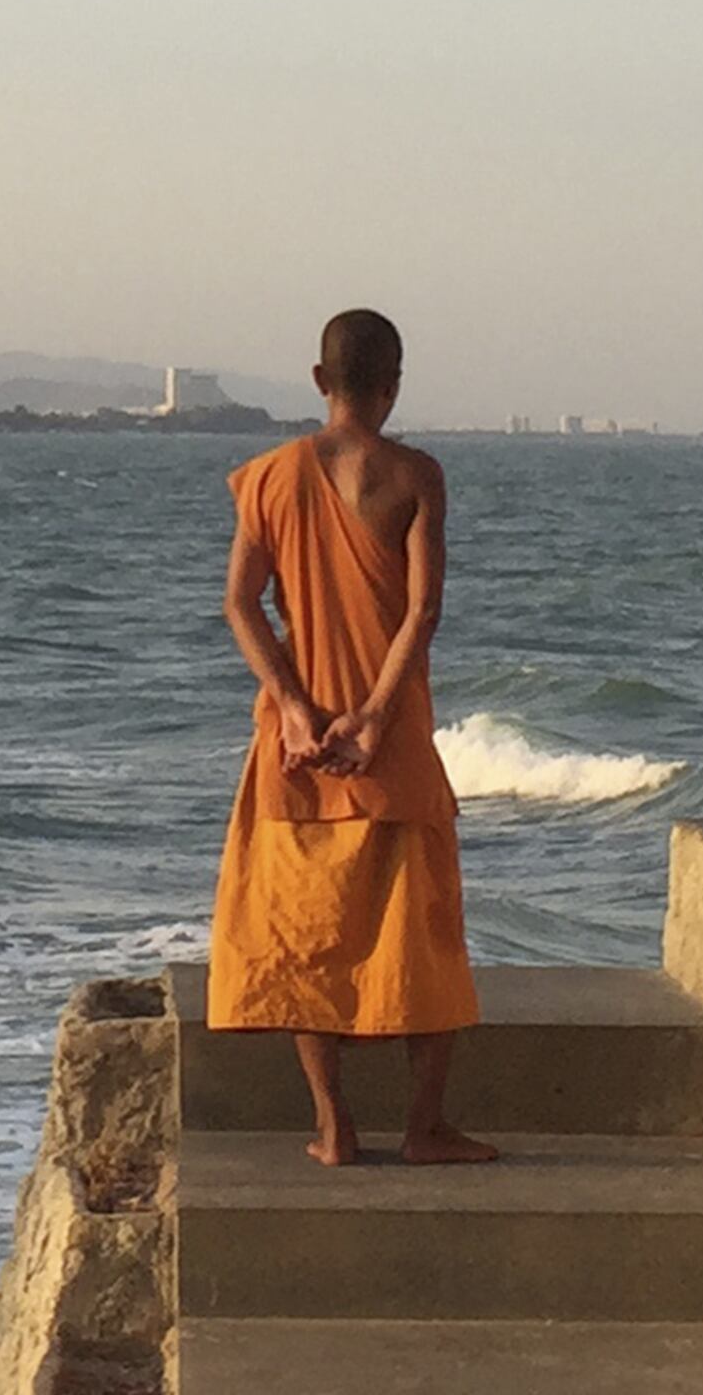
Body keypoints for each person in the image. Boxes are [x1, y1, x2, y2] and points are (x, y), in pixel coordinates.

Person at [210, 307, 492, 1168]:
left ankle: (333, 1124)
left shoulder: (269, 476)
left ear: (318, 381)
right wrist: (372, 715)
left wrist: (294, 706)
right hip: (389, 734)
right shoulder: (415, 476)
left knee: (302, 931)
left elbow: (240, 603)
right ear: (392, 384)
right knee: (424, 930)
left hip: (297, 747)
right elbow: (423, 611)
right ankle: (421, 1126)